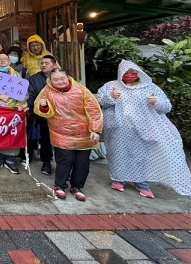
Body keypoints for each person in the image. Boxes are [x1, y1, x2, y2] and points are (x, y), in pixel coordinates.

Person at [97, 60, 191, 198]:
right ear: (121, 73)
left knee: (141, 156)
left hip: (145, 128)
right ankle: (119, 179)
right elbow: (100, 101)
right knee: (119, 153)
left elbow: (166, 106)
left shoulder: (149, 87)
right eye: (127, 72)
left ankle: (142, 183)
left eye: (133, 71)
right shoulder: (110, 86)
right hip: (119, 128)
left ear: (138, 72)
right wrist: (110, 97)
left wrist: (156, 102)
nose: (130, 74)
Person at [34, 68, 103, 201]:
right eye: (55, 79)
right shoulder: (47, 91)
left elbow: (93, 110)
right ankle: (59, 185)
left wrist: (94, 129)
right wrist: (44, 106)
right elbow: (40, 110)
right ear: (50, 80)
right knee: (65, 160)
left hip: (84, 133)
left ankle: (77, 186)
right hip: (61, 133)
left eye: (62, 78)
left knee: (82, 162)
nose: (60, 82)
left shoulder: (81, 90)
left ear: (67, 77)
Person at [0, 53, 28, 174]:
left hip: (13, 110)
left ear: (9, 61)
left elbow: (22, 92)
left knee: (12, 135)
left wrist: (21, 105)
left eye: (5, 59)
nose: (2, 61)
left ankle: (10, 160)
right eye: (0, 59)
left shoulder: (15, 74)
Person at [26, 55, 57, 175]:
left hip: (60, 116)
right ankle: (46, 163)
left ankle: (63, 166)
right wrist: (28, 107)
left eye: (46, 63)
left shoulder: (61, 77)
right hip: (42, 114)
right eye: (42, 63)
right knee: (45, 139)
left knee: (61, 142)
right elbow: (30, 95)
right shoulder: (34, 78)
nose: (43, 65)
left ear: (54, 65)